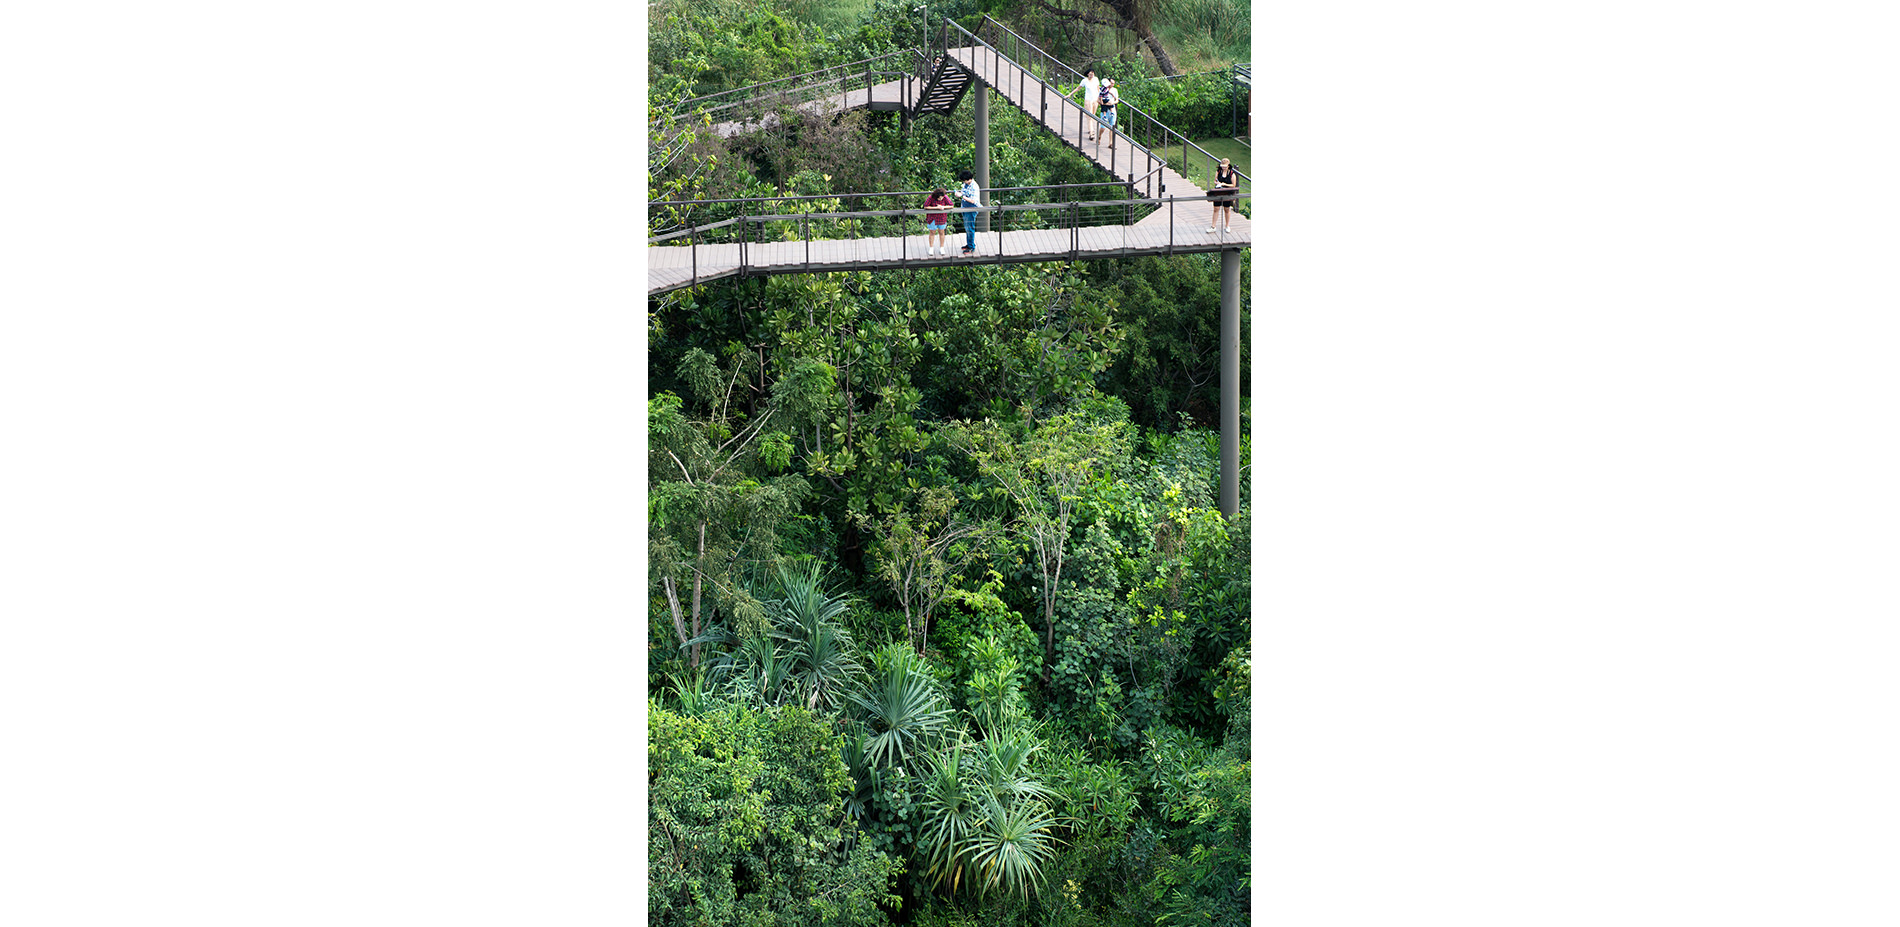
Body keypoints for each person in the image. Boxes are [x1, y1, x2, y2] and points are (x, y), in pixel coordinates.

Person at [1208, 157, 1239, 233]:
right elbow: (1215, 180)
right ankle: (1213, 226)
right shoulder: (1218, 171)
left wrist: (1225, 184)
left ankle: (1227, 226)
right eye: (1222, 166)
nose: (1223, 168)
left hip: (1227, 192)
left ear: (1228, 166)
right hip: (1218, 191)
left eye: (1225, 166)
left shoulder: (1232, 173)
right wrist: (1217, 183)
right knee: (1216, 208)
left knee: (1227, 209)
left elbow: (1233, 185)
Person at [923, 186, 954, 256]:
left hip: (942, 217)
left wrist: (943, 207)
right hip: (932, 217)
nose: (941, 199)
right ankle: (931, 248)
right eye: (939, 198)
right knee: (932, 232)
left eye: (942, 197)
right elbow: (925, 206)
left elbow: (951, 205)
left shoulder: (945, 197)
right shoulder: (931, 197)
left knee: (941, 232)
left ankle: (942, 247)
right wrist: (935, 208)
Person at [956, 170, 981, 255]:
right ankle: (969, 244)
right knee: (967, 227)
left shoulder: (974, 187)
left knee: (970, 228)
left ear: (970, 179)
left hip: (971, 208)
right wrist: (959, 193)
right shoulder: (966, 184)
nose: (964, 182)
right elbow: (964, 192)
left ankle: (971, 247)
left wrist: (962, 196)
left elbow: (973, 200)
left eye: (965, 180)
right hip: (965, 207)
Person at [1071, 68, 1100, 141]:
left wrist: (1100, 98)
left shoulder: (1096, 79)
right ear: (1087, 74)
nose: (1091, 75)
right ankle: (1092, 133)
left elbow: (1098, 89)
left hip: (1095, 99)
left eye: (1092, 74)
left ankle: (1090, 128)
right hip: (1088, 100)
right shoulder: (1085, 81)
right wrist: (1070, 94)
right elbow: (1078, 88)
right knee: (1089, 116)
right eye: (1090, 74)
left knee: (1093, 116)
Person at [1098, 78, 1120, 150]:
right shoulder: (1103, 89)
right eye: (1111, 83)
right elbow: (1099, 100)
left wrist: (1112, 103)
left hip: (1112, 109)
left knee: (1112, 126)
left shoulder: (1114, 90)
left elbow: (1117, 100)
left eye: (1113, 83)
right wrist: (1105, 103)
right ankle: (1099, 136)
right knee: (1103, 127)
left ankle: (1111, 143)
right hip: (1105, 109)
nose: (1112, 84)